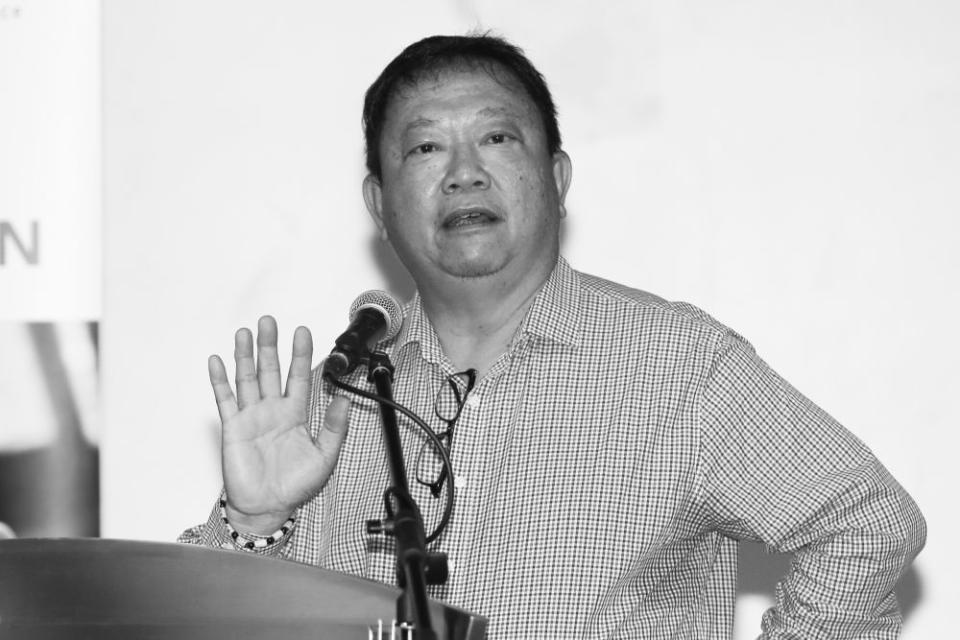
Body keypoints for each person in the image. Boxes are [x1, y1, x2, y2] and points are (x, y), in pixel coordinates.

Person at [180, 34, 926, 639]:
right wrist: (253, 521)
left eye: (497, 138)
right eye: (425, 149)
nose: (465, 174)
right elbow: (186, 620)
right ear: (379, 200)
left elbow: (867, 524)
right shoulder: (336, 397)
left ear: (558, 176)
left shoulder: (677, 365)